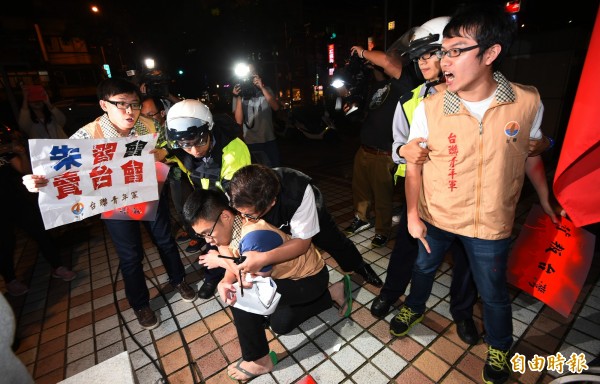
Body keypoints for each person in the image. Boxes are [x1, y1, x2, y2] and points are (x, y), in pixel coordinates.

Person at [394, 5, 557, 384]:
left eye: (455, 51)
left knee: (493, 292)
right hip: (437, 215)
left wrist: (546, 198)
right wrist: (414, 215)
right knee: (422, 269)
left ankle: (500, 345)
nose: (443, 60)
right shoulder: (430, 108)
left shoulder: (527, 101)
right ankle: (414, 307)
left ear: (490, 53)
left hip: (491, 223)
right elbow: (414, 165)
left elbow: (530, 155)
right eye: (443, 51)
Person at [22, 78, 197, 330]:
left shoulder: (147, 125)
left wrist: (158, 156)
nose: (130, 111)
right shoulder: (89, 134)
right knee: (130, 256)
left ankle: (179, 279)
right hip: (116, 201)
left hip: (149, 192)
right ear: (104, 105)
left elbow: (166, 150)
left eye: (135, 105)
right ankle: (140, 304)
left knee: (166, 241)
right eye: (122, 105)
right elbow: (57, 168)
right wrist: (37, 180)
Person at [368, 17, 480, 346]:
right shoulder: (411, 99)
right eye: (419, 57)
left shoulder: (476, 96)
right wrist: (404, 150)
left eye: (431, 53)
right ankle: (392, 295)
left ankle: (462, 313)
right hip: (419, 194)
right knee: (406, 249)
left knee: (466, 261)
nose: (424, 62)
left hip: (466, 196)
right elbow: (397, 147)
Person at [183, 188, 351, 381]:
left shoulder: (255, 238)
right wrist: (224, 280)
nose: (207, 240)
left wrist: (220, 263)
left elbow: (251, 282)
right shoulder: (228, 228)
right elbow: (230, 255)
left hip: (309, 279)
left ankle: (259, 361)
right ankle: (331, 294)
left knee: (241, 296)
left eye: (207, 233)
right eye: (201, 236)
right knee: (280, 325)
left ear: (226, 216)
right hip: (287, 279)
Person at [216, 164, 383, 287]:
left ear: (272, 202)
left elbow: (302, 243)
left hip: (307, 213)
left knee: (333, 240)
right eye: (240, 212)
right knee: (274, 250)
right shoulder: (234, 192)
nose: (243, 218)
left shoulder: (298, 191)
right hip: (273, 220)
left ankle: (360, 267)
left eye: (248, 215)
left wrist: (262, 259)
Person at [165, 99, 251, 298]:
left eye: (201, 142)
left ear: (209, 129)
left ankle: (240, 276)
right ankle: (213, 277)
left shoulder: (232, 148)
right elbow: (161, 151)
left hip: (233, 204)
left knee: (235, 242)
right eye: (186, 145)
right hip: (208, 205)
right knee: (210, 241)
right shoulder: (179, 148)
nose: (195, 151)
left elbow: (235, 195)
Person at [342, 44, 418, 248]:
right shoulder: (377, 86)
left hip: (384, 152)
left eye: (391, 56)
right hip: (364, 148)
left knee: (382, 196)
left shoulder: (405, 82)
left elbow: (387, 63)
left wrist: (362, 52)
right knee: (360, 191)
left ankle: (382, 230)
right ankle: (361, 219)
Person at [0, 127, 75, 296]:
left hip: (17, 200)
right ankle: (10, 280)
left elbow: (24, 170)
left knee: (41, 232)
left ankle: (58, 267)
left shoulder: (6, 150)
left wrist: (21, 153)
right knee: (5, 243)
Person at [141, 96, 198, 252]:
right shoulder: (143, 130)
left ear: (162, 113)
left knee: (182, 203)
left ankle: (197, 237)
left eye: (151, 114)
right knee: (175, 205)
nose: (147, 119)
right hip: (160, 172)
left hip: (178, 171)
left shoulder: (173, 128)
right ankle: (191, 230)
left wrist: (165, 156)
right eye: (143, 115)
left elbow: (180, 149)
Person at [232, 62, 281, 167]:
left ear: (257, 74)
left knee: (275, 170)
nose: (249, 75)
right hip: (251, 141)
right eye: (247, 73)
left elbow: (276, 107)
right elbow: (238, 121)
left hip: (269, 139)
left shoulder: (266, 90)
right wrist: (239, 97)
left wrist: (262, 87)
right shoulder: (238, 94)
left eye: (252, 72)